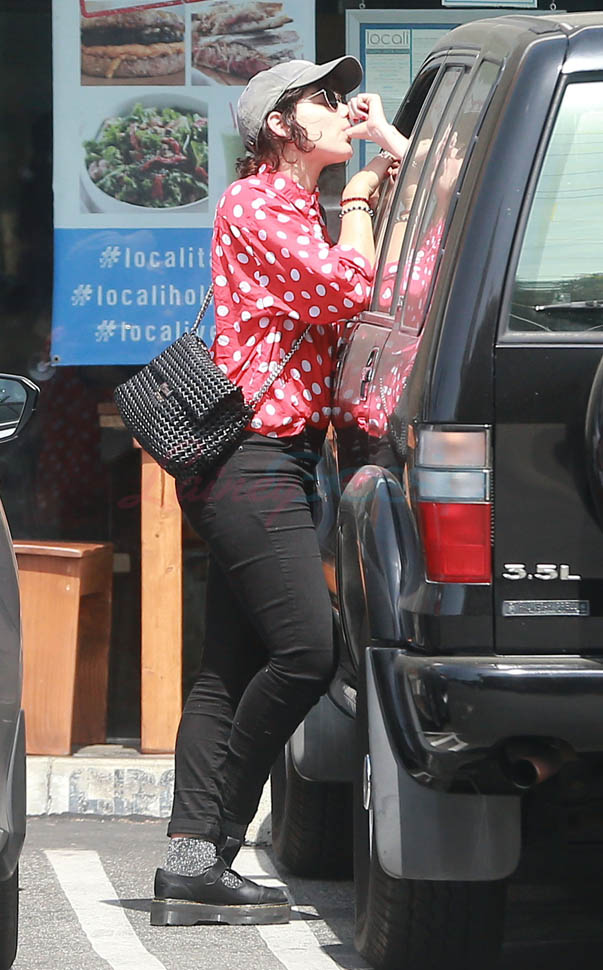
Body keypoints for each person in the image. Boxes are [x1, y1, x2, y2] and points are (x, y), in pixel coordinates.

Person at [151, 56, 408, 929]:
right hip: (249, 460)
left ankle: (192, 866)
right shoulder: (256, 202)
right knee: (305, 651)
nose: (339, 108)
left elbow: (430, 201)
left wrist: (383, 146)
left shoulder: (298, 207)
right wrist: (361, 200)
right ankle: (217, 840)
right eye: (321, 100)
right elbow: (345, 288)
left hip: (279, 459)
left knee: (228, 667)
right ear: (280, 126)